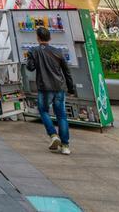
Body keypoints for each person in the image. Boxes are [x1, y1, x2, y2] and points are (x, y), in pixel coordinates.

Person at [25, 26, 74, 155]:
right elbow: (66, 71)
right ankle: (65, 145)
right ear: (50, 38)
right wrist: (71, 88)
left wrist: (29, 58)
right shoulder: (58, 52)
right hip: (59, 86)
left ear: (37, 38)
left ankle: (53, 135)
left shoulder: (34, 51)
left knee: (43, 110)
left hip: (44, 87)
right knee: (61, 115)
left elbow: (30, 68)